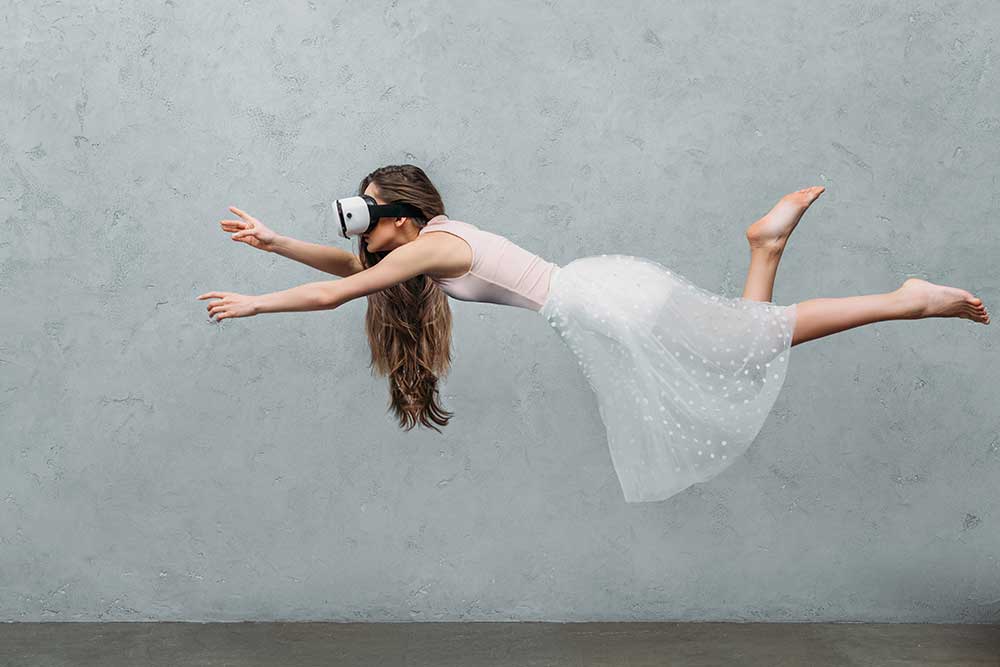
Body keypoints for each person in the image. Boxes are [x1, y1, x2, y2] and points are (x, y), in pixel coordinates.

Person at [197, 165, 990, 502]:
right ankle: (769, 245)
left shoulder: (435, 243)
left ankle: (905, 297)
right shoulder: (426, 247)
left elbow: (346, 292)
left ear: (398, 221)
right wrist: (275, 245)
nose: (361, 233)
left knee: (753, 342)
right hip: (597, 299)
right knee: (742, 347)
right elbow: (351, 270)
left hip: (603, 302)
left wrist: (258, 303)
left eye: (368, 214)